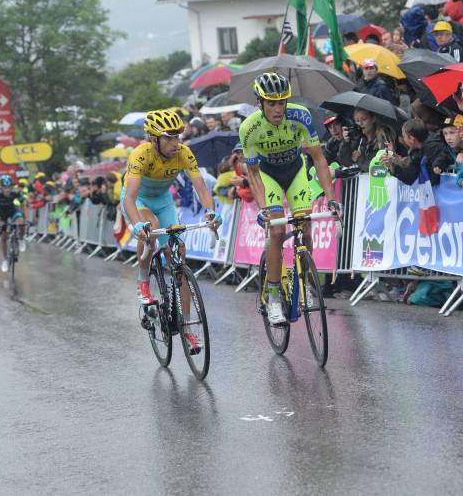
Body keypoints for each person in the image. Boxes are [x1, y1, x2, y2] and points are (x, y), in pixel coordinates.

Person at [238, 73, 341, 325]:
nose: (278, 108)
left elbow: (318, 158)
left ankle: (304, 281)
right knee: (277, 231)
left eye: (282, 102)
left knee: (305, 226)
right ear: (260, 103)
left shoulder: (300, 116)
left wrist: (331, 199)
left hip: (295, 170)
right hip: (268, 174)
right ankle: (273, 297)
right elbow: (253, 173)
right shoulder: (249, 128)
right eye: (271, 103)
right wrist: (264, 209)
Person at [121, 109, 221, 348]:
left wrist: (210, 212)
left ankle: (186, 325)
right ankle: (143, 280)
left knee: (179, 257)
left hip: (164, 201)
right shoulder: (140, 155)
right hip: (139, 202)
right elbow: (130, 198)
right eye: (169, 138)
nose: (176, 142)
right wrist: (136, 225)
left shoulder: (184, 153)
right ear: (154, 139)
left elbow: (202, 188)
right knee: (151, 228)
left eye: (178, 136)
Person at [0, 175, 26, 273]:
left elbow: (24, 203)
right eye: (5, 187)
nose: (8, 189)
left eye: (9, 187)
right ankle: (5, 259)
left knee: (21, 222)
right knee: (4, 237)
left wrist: (25, 216)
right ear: (1, 187)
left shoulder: (15, 192)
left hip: (12, 211)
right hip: (1, 214)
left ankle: (21, 239)